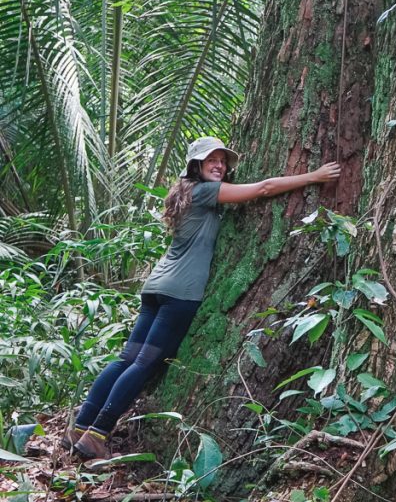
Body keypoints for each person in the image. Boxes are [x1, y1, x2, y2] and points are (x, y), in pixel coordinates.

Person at [67, 136, 341, 461]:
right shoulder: (206, 191)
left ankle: (81, 426)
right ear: (196, 164)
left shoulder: (183, 192)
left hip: (156, 288)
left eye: (223, 161)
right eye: (211, 160)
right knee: (143, 364)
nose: (219, 166)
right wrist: (314, 176)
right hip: (179, 294)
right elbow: (264, 188)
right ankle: (97, 434)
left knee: (127, 360)